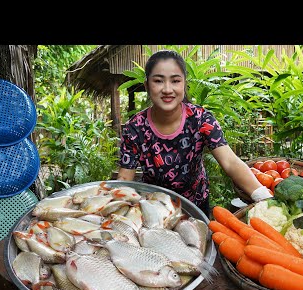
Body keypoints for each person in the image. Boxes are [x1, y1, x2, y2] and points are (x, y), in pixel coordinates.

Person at [116, 49, 272, 217]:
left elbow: (230, 162)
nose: (167, 89)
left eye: (175, 81)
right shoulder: (135, 128)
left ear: (184, 84)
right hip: (155, 208)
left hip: (196, 204)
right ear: (147, 85)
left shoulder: (201, 119)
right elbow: (125, 178)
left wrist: (263, 197)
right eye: (158, 81)